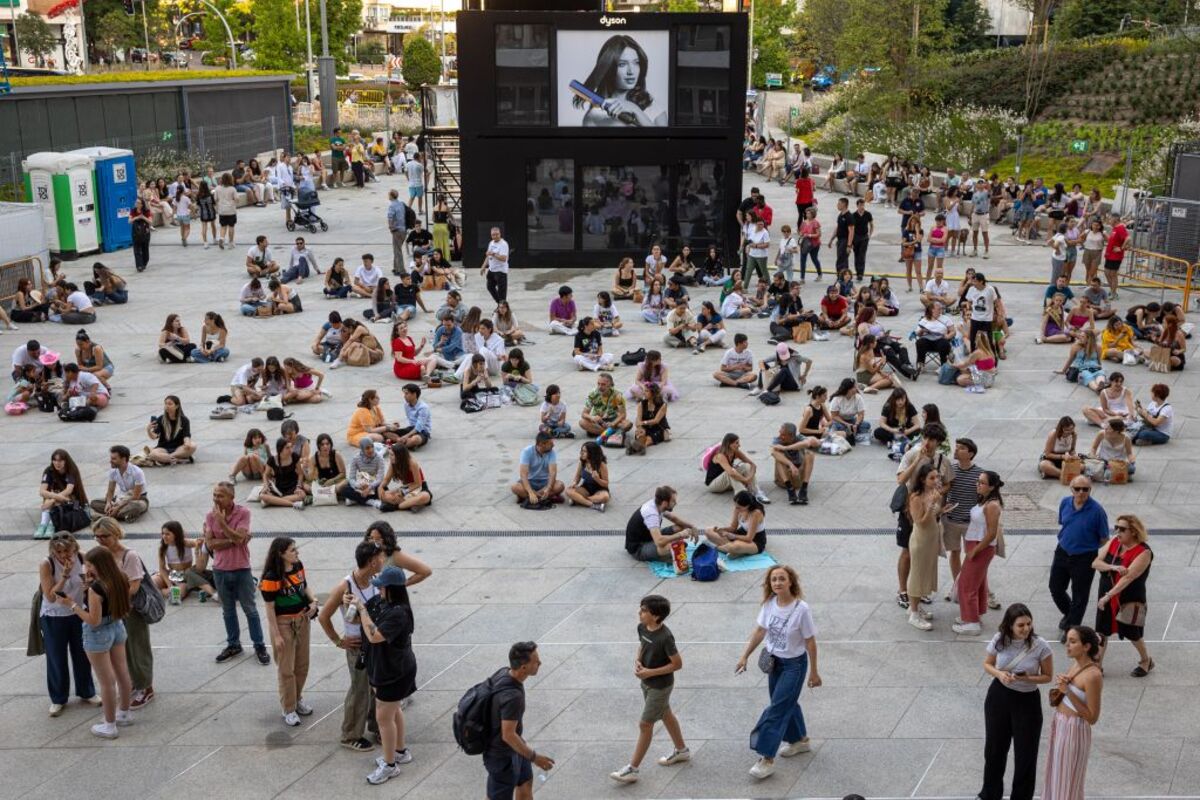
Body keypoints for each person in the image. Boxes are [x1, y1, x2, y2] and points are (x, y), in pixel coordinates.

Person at [735, 565, 821, 780]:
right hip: (775, 663)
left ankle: (766, 758)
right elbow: (759, 631)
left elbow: (810, 641)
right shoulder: (769, 604)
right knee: (785, 702)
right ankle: (800, 740)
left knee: (776, 709)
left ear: (790, 582)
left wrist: (814, 672)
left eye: (782, 579)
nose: (777, 583)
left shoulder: (802, 609)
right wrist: (745, 656)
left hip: (794, 665)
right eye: (774, 579)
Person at [609, 594, 691, 784]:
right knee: (666, 714)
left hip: (660, 686)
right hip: (646, 681)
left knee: (645, 725)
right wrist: (638, 661)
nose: (640, 612)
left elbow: (677, 664)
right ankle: (682, 751)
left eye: (644, 610)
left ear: (656, 616)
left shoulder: (665, 637)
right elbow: (642, 646)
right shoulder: (642, 627)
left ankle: (632, 769)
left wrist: (650, 672)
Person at [978, 603, 1054, 800]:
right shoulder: (999, 639)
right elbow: (988, 664)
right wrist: (1000, 675)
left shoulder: (1041, 645)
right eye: (1021, 625)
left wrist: (1027, 678)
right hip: (999, 697)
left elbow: (1047, 676)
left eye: (1028, 624)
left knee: (1026, 755)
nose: (1026, 628)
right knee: (994, 749)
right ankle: (990, 794)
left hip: (1027, 701)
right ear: (1010, 625)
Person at [352, 565, 417, 785]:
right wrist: (355, 609)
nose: (377, 590)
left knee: (383, 717)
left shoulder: (399, 612)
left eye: (381, 587)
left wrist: (361, 611)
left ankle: (390, 765)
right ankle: (399, 751)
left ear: (392, 588)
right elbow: (365, 618)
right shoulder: (383, 603)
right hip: (385, 667)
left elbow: (375, 636)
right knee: (393, 709)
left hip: (393, 672)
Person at [57, 546, 132, 738]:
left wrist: (71, 604)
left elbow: (93, 620)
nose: (86, 568)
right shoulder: (120, 578)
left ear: (98, 565)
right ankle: (124, 713)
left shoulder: (96, 589)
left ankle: (109, 725)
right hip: (117, 626)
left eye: (89, 564)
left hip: (97, 634)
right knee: (122, 673)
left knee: (106, 682)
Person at [317, 540, 385, 751]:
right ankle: (350, 734)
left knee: (377, 687)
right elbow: (323, 616)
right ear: (372, 562)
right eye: (381, 557)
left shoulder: (376, 580)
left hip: (375, 641)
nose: (383, 560)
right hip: (358, 646)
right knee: (360, 689)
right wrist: (339, 641)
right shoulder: (345, 586)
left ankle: (376, 726)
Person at [90, 516, 154, 710]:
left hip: (130, 610)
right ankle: (133, 683)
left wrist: (118, 601)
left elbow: (134, 585)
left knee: (138, 648)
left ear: (116, 533)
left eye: (104, 536)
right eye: (97, 536)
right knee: (123, 651)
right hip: (115, 611)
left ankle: (146, 687)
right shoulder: (104, 556)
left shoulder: (129, 555)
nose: (100, 539)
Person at [480, 642, 555, 800]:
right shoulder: (513, 697)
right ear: (524, 668)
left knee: (525, 782)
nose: (540, 663)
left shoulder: (504, 672)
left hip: (516, 749)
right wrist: (535, 757)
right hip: (501, 756)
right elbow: (508, 735)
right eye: (536, 661)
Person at [205, 482, 269, 665]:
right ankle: (233, 644)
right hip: (220, 569)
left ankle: (259, 645)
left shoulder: (243, 513)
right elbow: (210, 544)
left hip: (241, 568)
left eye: (220, 496)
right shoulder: (210, 515)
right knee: (228, 611)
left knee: (250, 609)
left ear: (231, 497)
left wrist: (223, 525)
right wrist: (236, 540)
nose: (216, 499)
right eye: (215, 495)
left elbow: (239, 538)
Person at [39, 532, 100, 715]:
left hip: (77, 612)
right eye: (59, 552)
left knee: (82, 654)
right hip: (54, 616)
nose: (65, 555)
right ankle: (58, 698)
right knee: (56, 658)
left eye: (68, 551)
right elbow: (50, 596)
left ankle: (87, 691)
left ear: (75, 548)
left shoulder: (83, 558)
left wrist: (89, 583)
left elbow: (94, 582)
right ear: (53, 551)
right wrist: (64, 576)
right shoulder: (46, 564)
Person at [259, 537, 317, 726]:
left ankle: (297, 698)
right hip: (283, 624)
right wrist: (276, 635)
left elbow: (304, 585)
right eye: (292, 550)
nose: (297, 553)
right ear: (280, 554)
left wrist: (314, 601)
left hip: (302, 619)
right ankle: (288, 708)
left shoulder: (298, 565)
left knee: (302, 665)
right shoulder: (271, 578)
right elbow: (269, 608)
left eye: (295, 549)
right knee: (286, 669)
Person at [1042, 626, 1104, 800]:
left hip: (1074, 730)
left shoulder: (1093, 675)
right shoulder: (1076, 664)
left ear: (1086, 647)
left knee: (1067, 781)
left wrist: (1067, 690)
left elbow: (1092, 717)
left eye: (1073, 641)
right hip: (1061, 724)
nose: (1067, 645)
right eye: (1068, 640)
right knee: (1056, 777)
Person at [1092, 514, 1154, 677]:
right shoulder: (1114, 543)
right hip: (1106, 593)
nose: (1118, 532)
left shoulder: (1144, 552)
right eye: (1116, 528)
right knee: (1102, 631)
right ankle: (1097, 665)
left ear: (1133, 531)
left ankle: (1146, 660)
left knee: (1132, 633)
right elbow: (1096, 562)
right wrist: (1113, 567)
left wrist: (1108, 596)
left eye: (1122, 529)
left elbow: (1128, 578)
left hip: (1128, 598)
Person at [1051, 476, 1109, 643]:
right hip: (1063, 551)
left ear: (1090, 490)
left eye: (1086, 489)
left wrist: (1089, 548)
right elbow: (1063, 522)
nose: (1081, 492)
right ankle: (1070, 614)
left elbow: (1104, 538)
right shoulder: (1065, 503)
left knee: (1080, 595)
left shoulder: (1097, 511)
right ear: (1071, 489)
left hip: (1085, 557)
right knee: (1055, 588)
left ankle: (1072, 628)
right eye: (1077, 489)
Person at [952, 471, 1004, 635]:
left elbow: (991, 533)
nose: (977, 485)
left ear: (992, 486)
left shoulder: (992, 505)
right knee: (978, 583)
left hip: (980, 547)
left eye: (982, 483)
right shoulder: (985, 501)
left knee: (967, 585)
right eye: (978, 481)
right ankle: (973, 615)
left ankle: (971, 623)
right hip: (976, 544)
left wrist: (975, 551)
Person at [905, 464, 946, 631]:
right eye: (932, 478)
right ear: (922, 480)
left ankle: (916, 606)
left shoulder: (934, 493)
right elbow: (919, 522)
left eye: (937, 477)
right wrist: (931, 506)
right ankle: (913, 613)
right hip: (921, 541)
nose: (936, 480)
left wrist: (941, 509)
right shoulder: (916, 497)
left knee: (925, 573)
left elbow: (934, 515)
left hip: (931, 539)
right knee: (917, 574)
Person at [153, 521, 216, 602]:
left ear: (176, 534)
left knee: (177, 596)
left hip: (183, 577)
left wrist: (200, 543)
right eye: (163, 534)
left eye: (167, 534)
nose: (164, 536)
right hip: (172, 574)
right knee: (152, 583)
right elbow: (162, 568)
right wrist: (169, 584)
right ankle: (160, 590)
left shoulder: (185, 543)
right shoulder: (163, 548)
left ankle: (160, 592)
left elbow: (199, 543)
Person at [35, 449, 89, 540]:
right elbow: (42, 491)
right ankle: (43, 525)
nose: (57, 463)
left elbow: (69, 491)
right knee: (50, 497)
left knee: (54, 499)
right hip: (58, 498)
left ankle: (52, 525)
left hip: (74, 502)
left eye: (60, 460)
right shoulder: (49, 471)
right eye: (55, 460)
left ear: (66, 461)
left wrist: (52, 500)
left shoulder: (71, 470)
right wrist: (53, 498)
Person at [705, 432, 770, 503]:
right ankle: (742, 495)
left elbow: (752, 464)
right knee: (731, 472)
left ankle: (756, 492)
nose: (739, 445)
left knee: (746, 466)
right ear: (729, 444)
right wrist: (745, 480)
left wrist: (749, 478)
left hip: (727, 482)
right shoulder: (720, 456)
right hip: (714, 485)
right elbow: (731, 473)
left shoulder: (735, 452)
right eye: (736, 443)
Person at [89, 446, 147, 523]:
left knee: (135, 507)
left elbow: (136, 496)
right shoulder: (113, 471)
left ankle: (109, 515)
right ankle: (119, 515)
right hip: (120, 499)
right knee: (94, 503)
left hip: (137, 500)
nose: (110, 461)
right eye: (111, 458)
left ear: (123, 459)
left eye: (114, 459)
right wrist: (108, 503)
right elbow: (110, 490)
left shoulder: (137, 472)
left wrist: (117, 507)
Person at [512, 432, 565, 509]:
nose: (553, 445)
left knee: (560, 485)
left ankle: (530, 498)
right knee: (515, 487)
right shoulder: (527, 451)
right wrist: (530, 492)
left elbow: (552, 473)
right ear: (541, 444)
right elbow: (523, 474)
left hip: (545, 482)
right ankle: (544, 497)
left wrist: (548, 488)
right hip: (530, 481)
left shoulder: (551, 452)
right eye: (550, 443)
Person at [376, 443, 433, 513]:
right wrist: (380, 487)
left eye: (392, 455)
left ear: (400, 456)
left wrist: (403, 492)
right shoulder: (393, 462)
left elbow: (418, 484)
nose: (390, 457)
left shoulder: (412, 463)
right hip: (406, 487)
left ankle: (396, 506)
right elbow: (387, 479)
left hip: (418, 487)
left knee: (425, 496)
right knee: (384, 495)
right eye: (390, 454)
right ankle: (410, 504)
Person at [770, 422, 816, 506]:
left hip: (799, 476)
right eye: (780, 433)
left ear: (791, 435)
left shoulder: (799, 438)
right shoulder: (777, 439)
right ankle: (790, 490)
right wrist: (791, 465)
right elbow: (773, 452)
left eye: (783, 435)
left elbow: (807, 443)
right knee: (777, 455)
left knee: (810, 454)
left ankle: (804, 489)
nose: (780, 436)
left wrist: (785, 448)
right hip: (784, 477)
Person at [143, 395, 196, 466]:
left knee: (193, 445)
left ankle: (167, 459)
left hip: (179, 448)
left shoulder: (184, 420)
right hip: (164, 447)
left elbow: (186, 436)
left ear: (177, 406)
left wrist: (187, 443)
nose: (167, 406)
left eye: (170, 404)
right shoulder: (161, 419)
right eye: (165, 404)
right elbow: (154, 437)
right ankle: (179, 459)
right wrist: (148, 430)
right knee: (152, 454)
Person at [339, 437, 389, 506]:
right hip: (361, 483)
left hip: (374, 484)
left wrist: (369, 487)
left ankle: (355, 499)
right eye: (367, 448)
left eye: (372, 447)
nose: (371, 450)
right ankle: (370, 501)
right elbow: (351, 478)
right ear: (362, 449)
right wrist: (358, 485)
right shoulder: (356, 458)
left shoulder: (379, 458)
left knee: (384, 490)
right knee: (344, 490)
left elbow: (380, 478)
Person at [481, 227, 510, 305]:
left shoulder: (503, 244)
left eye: (497, 234)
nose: (495, 236)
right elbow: (488, 256)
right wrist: (483, 266)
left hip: (500, 271)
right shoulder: (491, 243)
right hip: (492, 270)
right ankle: (500, 304)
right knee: (490, 287)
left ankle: (503, 307)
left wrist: (493, 254)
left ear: (500, 234)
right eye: (493, 235)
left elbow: (504, 258)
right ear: (491, 235)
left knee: (502, 293)